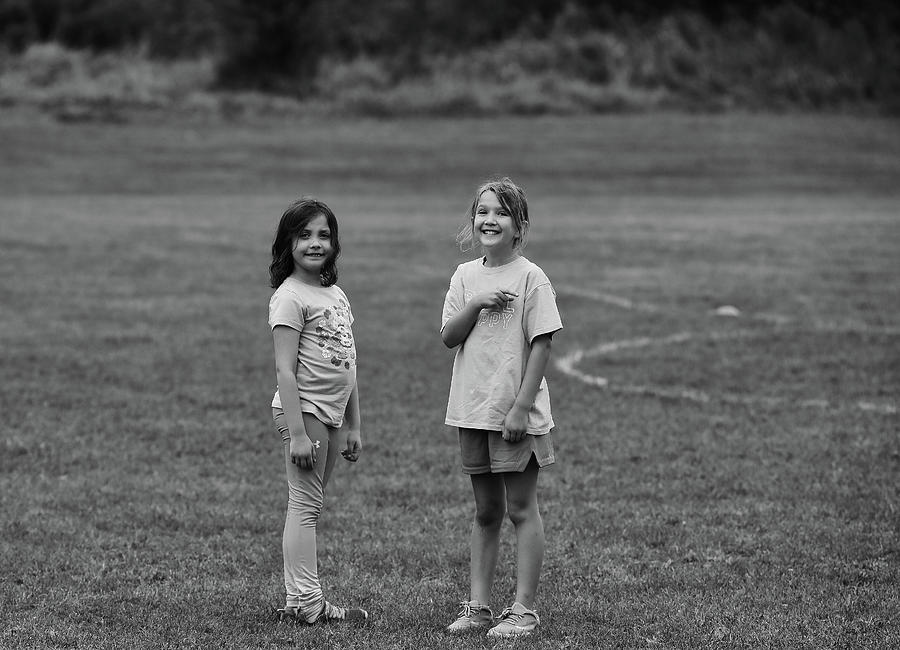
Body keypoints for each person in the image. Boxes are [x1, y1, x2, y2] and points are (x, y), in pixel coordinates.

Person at [441, 177, 562, 638]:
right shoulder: (464, 277)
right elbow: (449, 336)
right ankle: (478, 607)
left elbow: (542, 345)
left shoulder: (531, 277)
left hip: (515, 414)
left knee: (521, 509)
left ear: (520, 226)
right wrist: (476, 304)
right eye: (482, 211)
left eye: (501, 212)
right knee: (486, 512)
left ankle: (524, 610)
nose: (489, 220)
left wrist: (520, 408)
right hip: (472, 412)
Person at [268, 198, 367, 624]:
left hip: (328, 416)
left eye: (323, 235)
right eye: (304, 235)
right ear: (288, 243)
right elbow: (284, 370)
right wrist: (299, 433)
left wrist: (353, 426)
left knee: (308, 505)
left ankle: (297, 600)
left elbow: (348, 365)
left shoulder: (335, 293)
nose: (314, 243)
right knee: (305, 506)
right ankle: (308, 601)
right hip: (304, 413)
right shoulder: (289, 297)